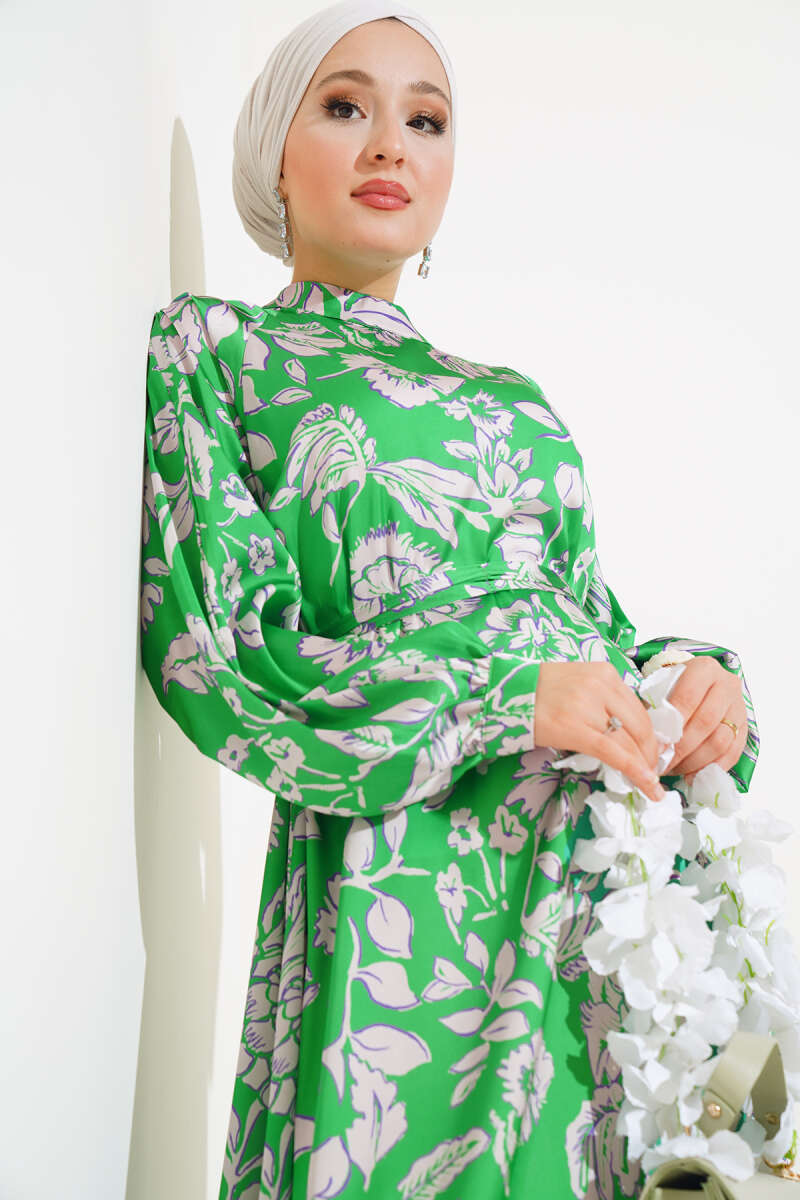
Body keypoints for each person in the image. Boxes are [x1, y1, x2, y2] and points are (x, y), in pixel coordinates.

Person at [139, 1, 756, 1195]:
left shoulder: (510, 396)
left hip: (602, 879)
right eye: (344, 107)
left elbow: (587, 624)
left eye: (424, 121)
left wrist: (690, 683)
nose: (389, 145)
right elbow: (223, 653)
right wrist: (500, 699)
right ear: (274, 153)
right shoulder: (220, 351)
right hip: (408, 873)